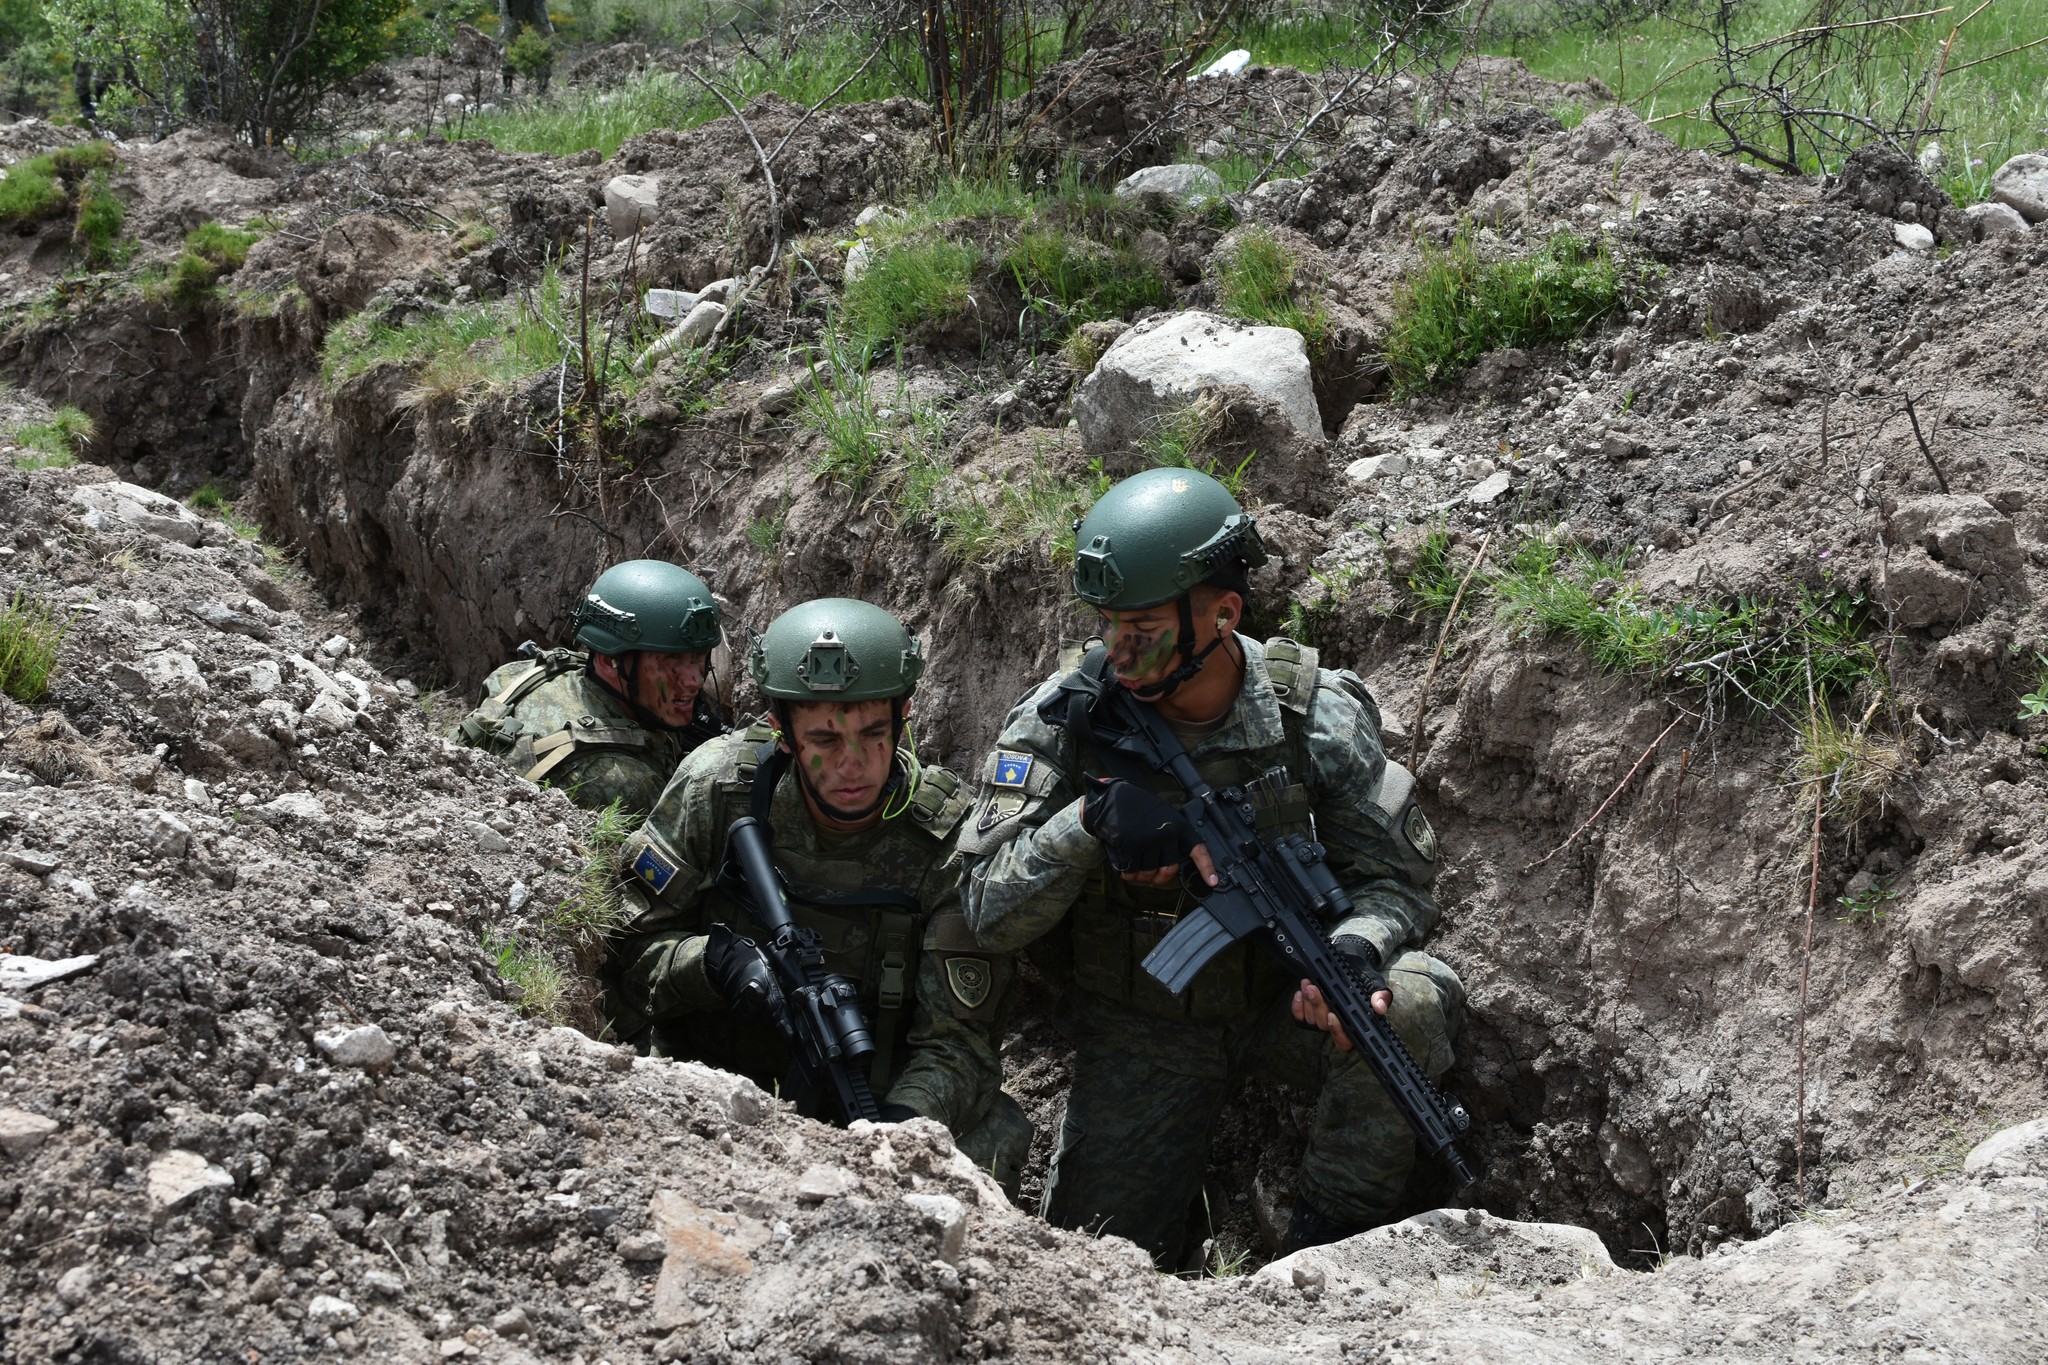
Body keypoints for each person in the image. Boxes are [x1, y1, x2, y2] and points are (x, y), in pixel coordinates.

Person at [957, 467, 1464, 1264]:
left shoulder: (1313, 716)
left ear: (1224, 615)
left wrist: (1355, 947)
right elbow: (984, 907)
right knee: (1096, 1262)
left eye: (1145, 627)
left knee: (1407, 1004)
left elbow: (1397, 880)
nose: (1118, 652)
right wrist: (1089, 820)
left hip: (1279, 1005)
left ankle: (1326, 1251)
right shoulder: (1068, 717)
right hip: (1144, 1029)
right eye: (1107, 624)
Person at [606, 598, 1032, 1189]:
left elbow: (959, 1046)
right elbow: (622, 950)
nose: (852, 764)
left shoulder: (946, 844)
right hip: (711, 1090)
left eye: (874, 734)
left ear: (904, 717)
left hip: (872, 1101)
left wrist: (900, 1131)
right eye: (824, 740)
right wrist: (714, 963)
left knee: (995, 1133)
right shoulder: (721, 789)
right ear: (783, 735)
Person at [457, 560, 726, 816]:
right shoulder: (629, 785)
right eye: (672, 661)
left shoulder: (517, 676)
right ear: (610, 661)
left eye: (699, 657)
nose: (695, 681)